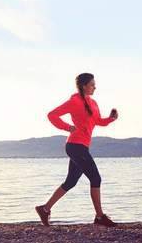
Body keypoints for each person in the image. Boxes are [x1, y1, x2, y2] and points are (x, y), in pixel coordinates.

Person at [35, 73, 118, 227]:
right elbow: (52, 115)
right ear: (84, 85)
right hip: (75, 146)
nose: (95, 87)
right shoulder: (74, 101)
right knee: (96, 178)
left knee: (71, 181)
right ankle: (100, 217)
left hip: (81, 147)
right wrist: (67, 127)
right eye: (92, 84)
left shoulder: (93, 103)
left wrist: (111, 119)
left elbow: (98, 121)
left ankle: (45, 209)